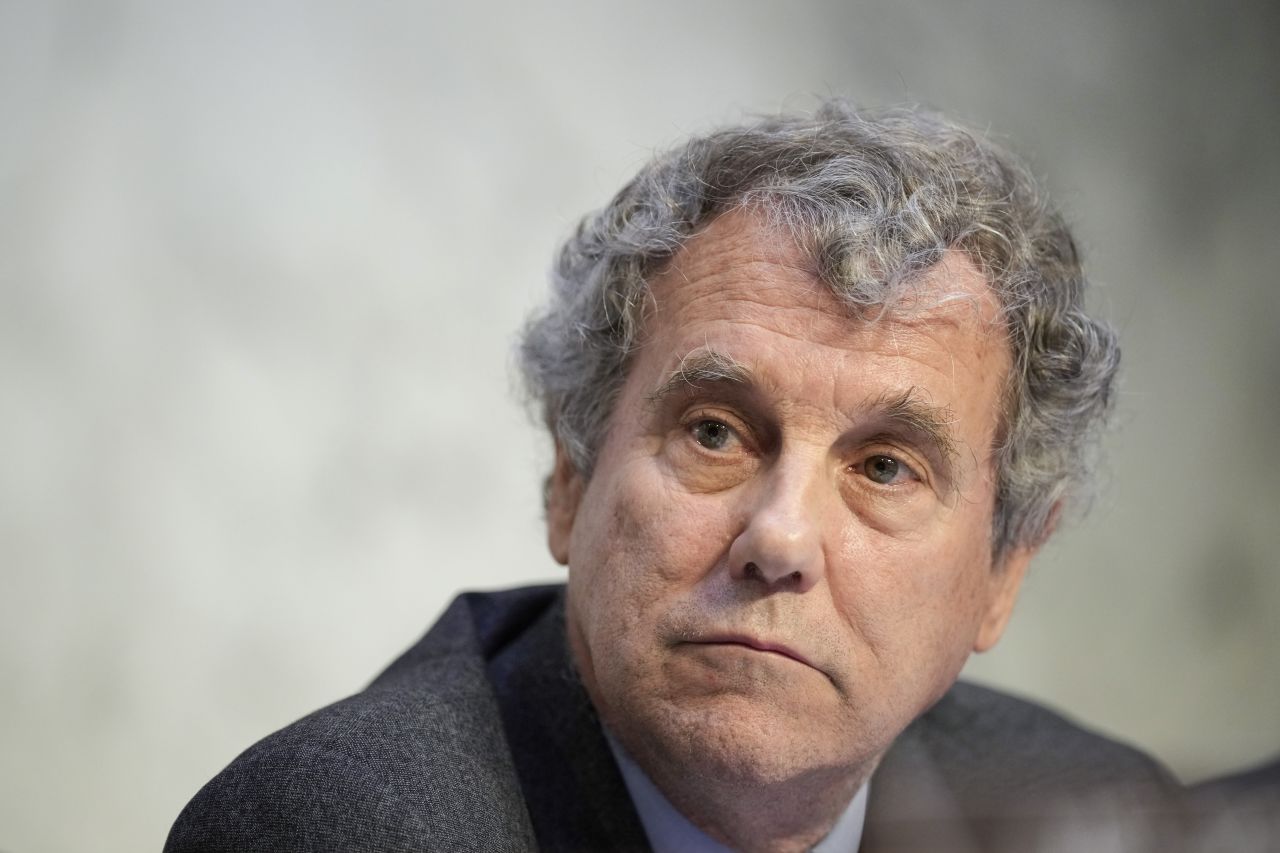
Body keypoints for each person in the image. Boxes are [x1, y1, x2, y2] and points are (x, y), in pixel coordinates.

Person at [166, 101, 1182, 852]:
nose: (778, 538)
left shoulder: (1093, 816)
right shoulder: (337, 830)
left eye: (882, 466)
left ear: (1003, 569)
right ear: (570, 475)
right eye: (713, 433)